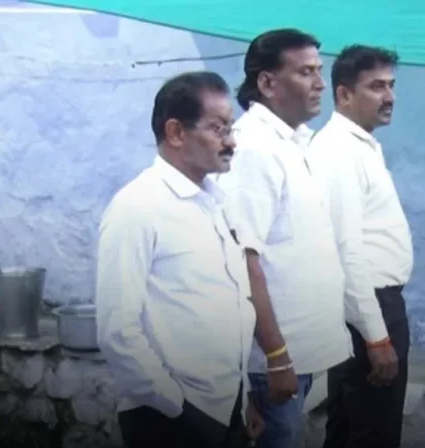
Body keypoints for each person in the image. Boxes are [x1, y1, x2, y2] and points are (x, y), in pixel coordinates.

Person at [95, 71, 264, 448]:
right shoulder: (137, 208)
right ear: (175, 132)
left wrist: (243, 400)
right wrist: (178, 408)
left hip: (225, 407)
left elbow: (229, 306)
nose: (231, 141)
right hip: (170, 418)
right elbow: (117, 330)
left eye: (231, 128)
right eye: (218, 128)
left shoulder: (216, 202)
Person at [214, 29, 352, 448]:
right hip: (273, 360)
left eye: (320, 71)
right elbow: (244, 261)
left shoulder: (295, 142)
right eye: (306, 72)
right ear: (267, 83)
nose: (320, 84)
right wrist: (275, 356)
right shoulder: (254, 148)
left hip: (300, 352)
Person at [306, 45, 414, 448]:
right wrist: (376, 336)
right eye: (376, 86)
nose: (390, 97)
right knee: (372, 432)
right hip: (369, 306)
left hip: (373, 305)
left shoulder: (358, 144)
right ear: (344, 94)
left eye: (391, 85)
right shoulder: (339, 151)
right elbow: (345, 250)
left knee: (352, 428)